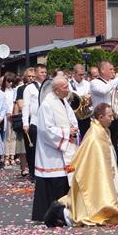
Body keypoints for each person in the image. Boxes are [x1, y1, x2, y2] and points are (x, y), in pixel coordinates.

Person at [43, 103, 118, 228]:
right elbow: (93, 159)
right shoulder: (95, 135)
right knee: (90, 207)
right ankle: (60, 213)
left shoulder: (103, 130)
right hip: (94, 175)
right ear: (101, 117)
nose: (112, 118)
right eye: (109, 116)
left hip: (104, 173)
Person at [31, 76, 79, 222]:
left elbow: (72, 120)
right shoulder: (47, 105)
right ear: (56, 90)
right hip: (52, 154)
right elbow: (46, 130)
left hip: (65, 150)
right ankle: (49, 214)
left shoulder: (64, 102)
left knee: (64, 182)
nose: (68, 90)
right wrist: (67, 132)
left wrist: (74, 129)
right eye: (65, 87)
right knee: (54, 184)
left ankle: (63, 213)